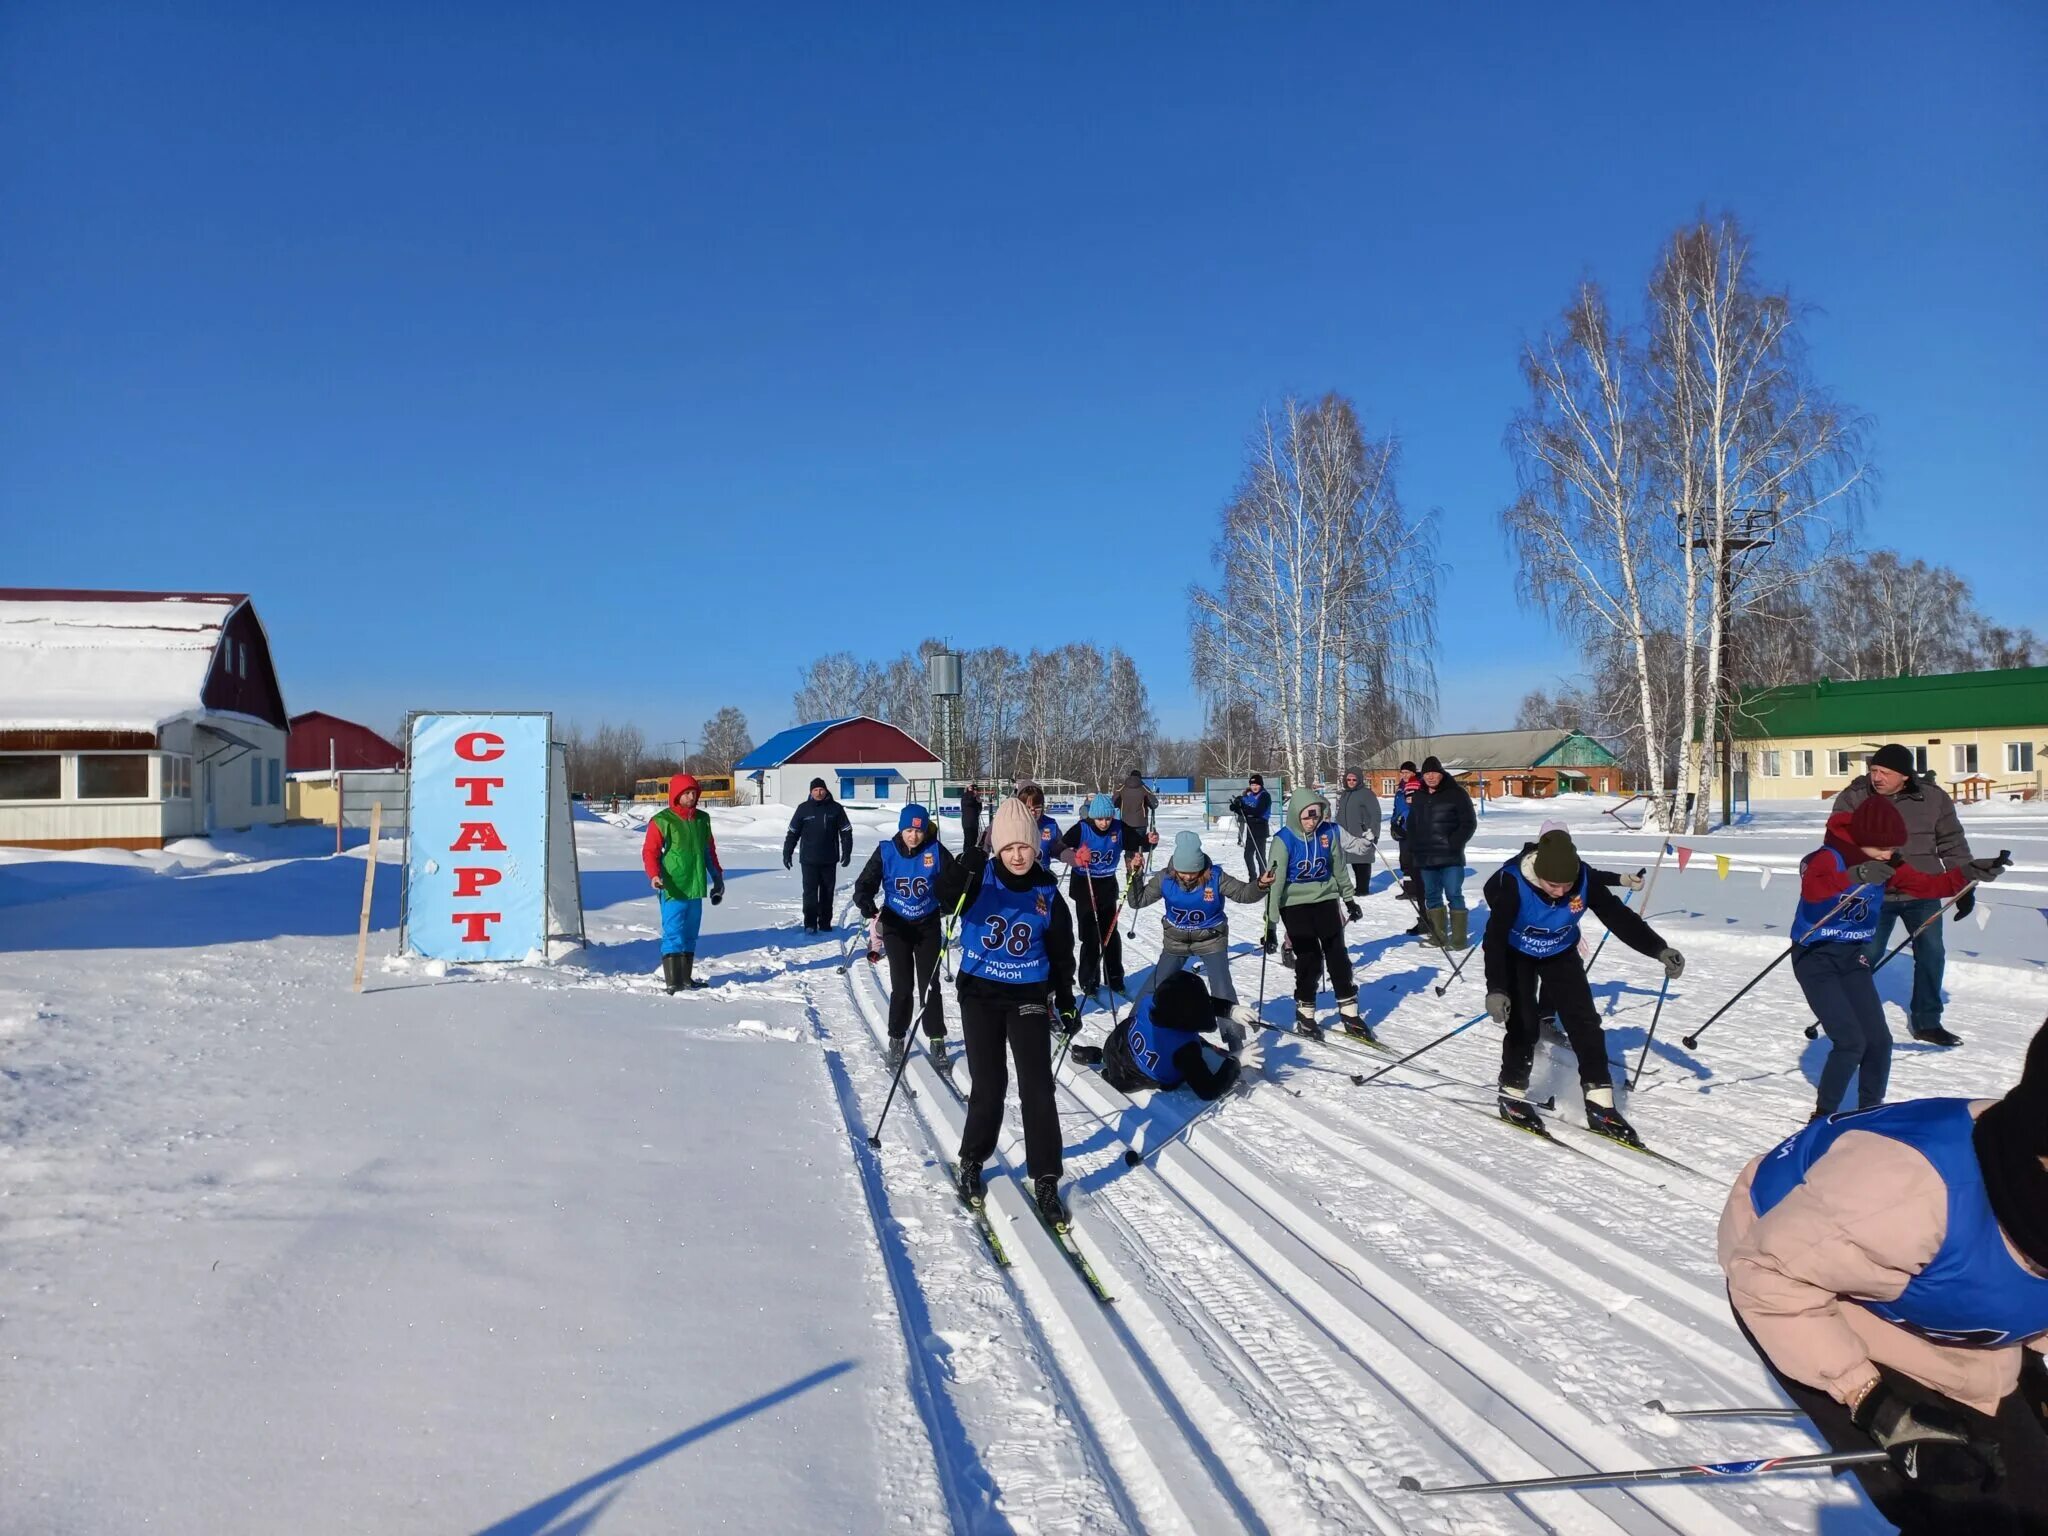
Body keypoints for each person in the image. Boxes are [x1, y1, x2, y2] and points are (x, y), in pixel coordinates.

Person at [1718, 1019, 2048, 1535]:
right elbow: (1769, 1278)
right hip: (1808, 1287)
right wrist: (1875, 1404)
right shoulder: (1910, 1189)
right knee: (1964, 1510)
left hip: (1942, 1290)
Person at [1791, 797, 1994, 1119]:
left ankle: (1870, 1112)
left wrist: (1969, 873)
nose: (1890, 854)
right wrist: (1856, 875)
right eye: (1884, 847)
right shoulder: (1826, 858)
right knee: (1850, 1041)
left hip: (1851, 957)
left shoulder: (1888, 864)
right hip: (1815, 958)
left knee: (1879, 1041)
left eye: (1893, 848)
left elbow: (1929, 886)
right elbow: (1815, 891)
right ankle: (1822, 1117)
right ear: (1863, 839)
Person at [1480, 828, 1682, 1145]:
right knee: (1524, 1024)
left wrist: (1658, 948)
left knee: (1585, 1022)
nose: (1561, 892)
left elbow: (1618, 917)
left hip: (1560, 952)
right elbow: (1493, 940)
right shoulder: (1512, 883)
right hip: (1515, 954)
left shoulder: (1584, 878)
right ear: (1539, 876)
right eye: (1552, 885)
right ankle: (1512, 1092)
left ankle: (1600, 1104)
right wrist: (1496, 989)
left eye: (1566, 885)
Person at [936, 797, 1078, 1226]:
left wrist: (1066, 1001)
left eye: (1025, 847)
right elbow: (944, 898)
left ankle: (1046, 1176)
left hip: (1028, 996)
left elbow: (1061, 951)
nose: (1017, 855)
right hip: (980, 993)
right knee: (989, 1082)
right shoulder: (980, 878)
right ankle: (973, 1159)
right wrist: (969, 862)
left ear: (1036, 847)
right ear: (998, 848)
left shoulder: (1047, 891)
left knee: (1037, 1087)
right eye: (1009, 848)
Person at [1835, 744, 1986, 1047]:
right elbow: (1839, 843)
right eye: (1873, 770)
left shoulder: (1932, 798)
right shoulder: (1854, 797)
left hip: (1922, 890)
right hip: (1873, 893)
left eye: (1884, 772)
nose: (1875, 777)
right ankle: (1847, 1016)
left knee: (1932, 954)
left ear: (1904, 776)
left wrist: (1963, 887)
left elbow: (1951, 843)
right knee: (1866, 956)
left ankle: (1927, 1022)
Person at [853, 803, 959, 1069]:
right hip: (896, 924)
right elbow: (865, 881)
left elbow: (954, 881)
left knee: (930, 984)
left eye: (919, 830)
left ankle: (936, 1038)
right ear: (901, 829)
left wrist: (949, 901)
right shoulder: (886, 851)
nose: (914, 835)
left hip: (927, 924)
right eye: (909, 830)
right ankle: (897, 1037)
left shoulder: (935, 851)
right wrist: (864, 899)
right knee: (902, 985)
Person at [1262, 788, 1364, 1041]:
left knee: (1337, 954)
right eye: (1307, 817)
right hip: (1294, 902)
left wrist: (1349, 899)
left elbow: (1339, 867)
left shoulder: (1327, 833)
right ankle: (1305, 1012)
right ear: (1296, 815)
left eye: (1316, 817)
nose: (1312, 822)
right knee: (1310, 958)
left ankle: (1349, 1012)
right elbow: (1275, 883)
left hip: (1326, 898)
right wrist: (1270, 925)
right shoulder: (1283, 840)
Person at [1129, 829, 1272, 1004]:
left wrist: (1260, 885)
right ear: (1175, 868)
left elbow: (1243, 894)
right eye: (1183, 872)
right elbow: (1138, 901)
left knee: (1222, 989)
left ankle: (1232, 1032)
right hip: (1176, 941)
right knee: (1156, 986)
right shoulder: (1164, 878)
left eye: (1193, 872)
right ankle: (1135, 1025)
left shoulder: (1215, 876)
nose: (1188, 877)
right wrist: (1135, 875)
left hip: (1210, 940)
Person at [1072, 971, 1264, 1101]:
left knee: (1113, 1057)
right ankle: (1105, 1072)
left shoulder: (1153, 1002)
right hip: (1131, 1076)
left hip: (1116, 1043)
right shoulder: (1184, 1050)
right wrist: (1234, 1062)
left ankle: (1098, 1056)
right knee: (1180, 1063)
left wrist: (1231, 1010)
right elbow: (1208, 1090)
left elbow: (1188, 1002)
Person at [641, 772, 726, 993]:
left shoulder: (702, 820)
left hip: (695, 885)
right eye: (686, 793)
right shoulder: (663, 821)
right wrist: (654, 875)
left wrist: (717, 875)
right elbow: (650, 852)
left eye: (693, 793)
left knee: (690, 933)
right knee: (673, 932)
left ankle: (686, 979)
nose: (691, 797)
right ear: (676, 795)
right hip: (672, 886)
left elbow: (709, 851)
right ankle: (673, 982)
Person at [1059, 793, 1129, 1001]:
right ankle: (1089, 981)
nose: (1104, 823)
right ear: (1092, 817)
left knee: (1110, 934)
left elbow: (1138, 842)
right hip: (1085, 885)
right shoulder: (1082, 828)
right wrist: (1076, 854)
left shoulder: (1118, 827)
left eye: (1107, 818)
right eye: (1100, 819)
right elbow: (1061, 846)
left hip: (1107, 885)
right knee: (1090, 936)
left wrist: (1148, 842)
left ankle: (1114, 976)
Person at [1404, 756, 1477, 949]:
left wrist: (1453, 843)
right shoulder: (1418, 796)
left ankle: (1459, 940)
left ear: (1441, 774)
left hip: (1450, 856)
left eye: (1434, 773)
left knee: (1454, 894)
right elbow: (1413, 824)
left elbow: (1468, 823)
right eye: (1427, 773)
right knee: (1432, 896)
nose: (1430, 777)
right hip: (1425, 856)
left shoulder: (1457, 794)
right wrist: (1411, 842)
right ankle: (1439, 936)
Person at [783, 777, 853, 932]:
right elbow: (793, 833)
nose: (818, 792)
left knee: (827, 892)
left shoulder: (836, 809)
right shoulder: (803, 809)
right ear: (810, 792)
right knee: (810, 893)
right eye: (815, 790)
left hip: (829, 859)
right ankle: (810, 923)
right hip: (809, 860)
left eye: (821, 789)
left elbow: (846, 832)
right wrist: (787, 852)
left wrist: (847, 852)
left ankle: (825, 922)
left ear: (826, 790)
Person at [1388, 761, 1429, 936]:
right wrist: (1393, 824)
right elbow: (1398, 809)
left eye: (1407, 772)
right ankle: (1410, 889)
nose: (1404, 775)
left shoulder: (1418, 785)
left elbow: (1415, 811)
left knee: (1421, 875)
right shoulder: (1400, 788)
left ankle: (1429, 918)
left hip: (1417, 835)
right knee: (1405, 863)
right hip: (1403, 831)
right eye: (1402, 772)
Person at [1334, 767, 1383, 903]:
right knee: (1349, 861)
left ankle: (1363, 888)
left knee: (1362, 860)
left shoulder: (1367, 794)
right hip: (1345, 833)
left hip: (1362, 833)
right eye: (1348, 779)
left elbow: (1376, 814)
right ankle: (1347, 887)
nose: (1351, 781)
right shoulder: (1345, 794)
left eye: (1354, 779)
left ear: (1359, 780)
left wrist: (1373, 831)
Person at [1115, 768, 1160, 880]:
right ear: (1140, 778)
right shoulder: (1143, 788)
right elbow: (1154, 804)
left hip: (1125, 822)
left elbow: (1113, 802)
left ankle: (1129, 868)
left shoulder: (1122, 788)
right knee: (1139, 846)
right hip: (1140, 822)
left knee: (1129, 848)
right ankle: (1137, 872)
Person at [1227, 773, 1273, 880]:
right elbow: (1244, 811)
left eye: (1256, 784)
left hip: (1260, 827)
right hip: (1251, 828)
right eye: (1252, 785)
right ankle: (1252, 878)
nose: (1254, 787)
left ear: (1261, 785)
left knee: (1259, 855)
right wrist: (1236, 807)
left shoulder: (1265, 796)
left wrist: (1243, 807)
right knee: (1247, 855)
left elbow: (1257, 811)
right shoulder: (1249, 796)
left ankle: (1263, 877)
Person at [958, 783, 983, 852]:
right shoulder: (966, 796)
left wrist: (979, 802)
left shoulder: (975, 798)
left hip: (974, 822)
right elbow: (968, 803)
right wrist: (973, 795)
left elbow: (979, 810)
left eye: (976, 790)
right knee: (969, 840)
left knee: (974, 839)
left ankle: (971, 854)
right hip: (968, 823)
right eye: (974, 790)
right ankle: (966, 854)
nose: (976, 792)